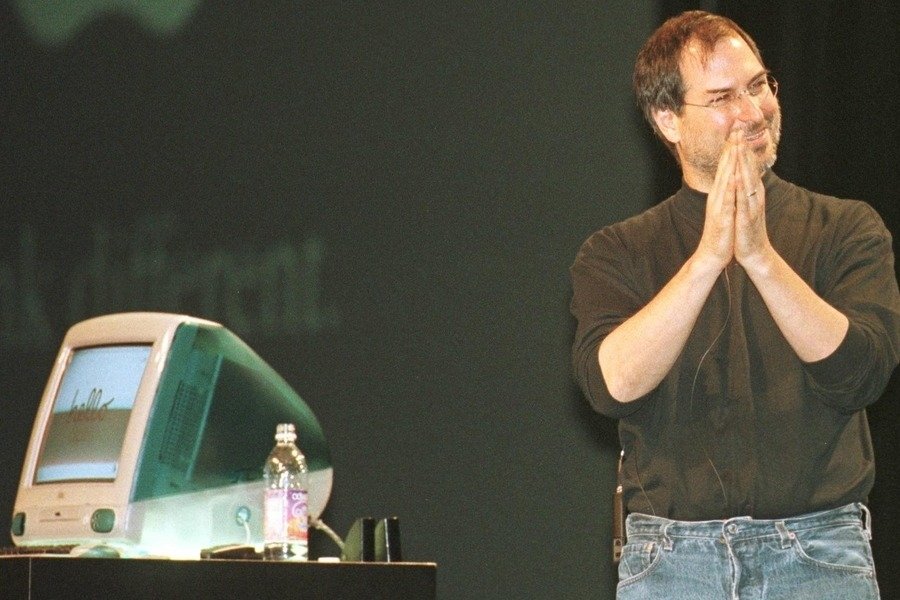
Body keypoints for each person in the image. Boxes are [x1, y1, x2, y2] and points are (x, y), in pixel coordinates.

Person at [570, 10, 900, 600]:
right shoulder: (617, 251)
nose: (753, 112)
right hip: (671, 561)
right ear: (667, 119)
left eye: (759, 85)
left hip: (818, 552)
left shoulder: (846, 227)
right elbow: (611, 386)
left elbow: (862, 372)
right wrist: (706, 259)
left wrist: (761, 259)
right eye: (723, 97)